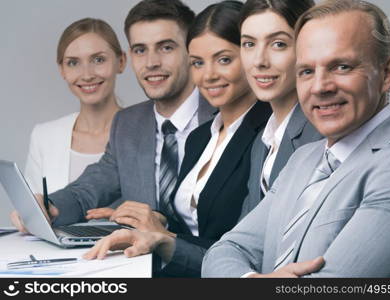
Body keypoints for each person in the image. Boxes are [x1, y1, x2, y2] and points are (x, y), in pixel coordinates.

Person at [202, 0, 390, 277]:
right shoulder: (305, 158)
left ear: (386, 74)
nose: (319, 87)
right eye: (306, 71)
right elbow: (223, 252)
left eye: (341, 67)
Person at [83, 0, 272, 278]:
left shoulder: (269, 134)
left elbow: (246, 249)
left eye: (224, 59)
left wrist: (163, 237)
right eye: (198, 62)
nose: (208, 75)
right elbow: (195, 224)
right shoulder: (200, 138)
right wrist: (155, 221)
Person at [11, 0, 215, 232]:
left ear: (191, 51)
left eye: (166, 47)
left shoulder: (223, 114)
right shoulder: (128, 124)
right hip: (138, 263)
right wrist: (50, 206)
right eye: (140, 50)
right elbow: (86, 191)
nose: (151, 63)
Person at [238, 0, 322, 218]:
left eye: (278, 44)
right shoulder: (262, 142)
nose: (259, 61)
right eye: (249, 44)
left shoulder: (321, 136)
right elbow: (244, 240)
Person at [24, 18, 126, 195]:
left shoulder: (146, 133)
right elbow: (33, 214)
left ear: (121, 62)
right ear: (62, 70)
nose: (86, 75)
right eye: (73, 63)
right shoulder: (44, 137)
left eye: (98, 60)